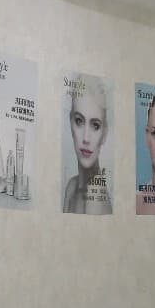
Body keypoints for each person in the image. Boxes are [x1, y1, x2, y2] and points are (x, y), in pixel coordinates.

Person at [62, 74, 112, 214]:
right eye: (79, 121)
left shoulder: (95, 195)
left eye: (95, 125)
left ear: (104, 133)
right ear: (70, 122)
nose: (86, 138)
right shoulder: (71, 187)